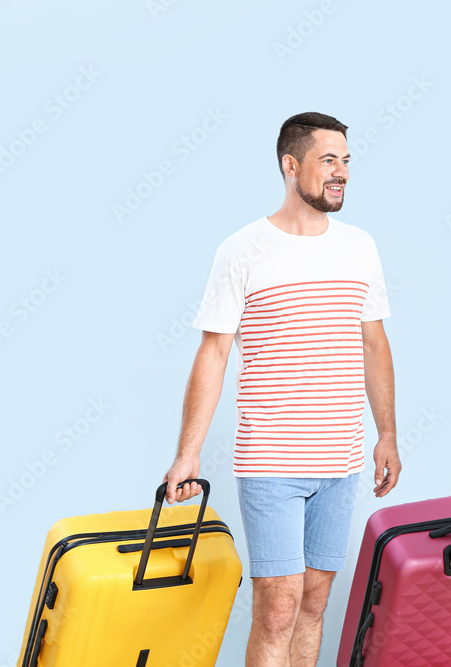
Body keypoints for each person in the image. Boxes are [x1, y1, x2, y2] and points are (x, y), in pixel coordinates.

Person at [163, 112, 401, 667]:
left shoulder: (359, 247)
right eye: (328, 161)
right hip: (271, 459)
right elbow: (214, 353)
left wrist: (386, 434)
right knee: (276, 608)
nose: (341, 172)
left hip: (340, 461)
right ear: (290, 166)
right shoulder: (242, 250)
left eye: (346, 160)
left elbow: (374, 344)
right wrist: (188, 453)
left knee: (314, 603)